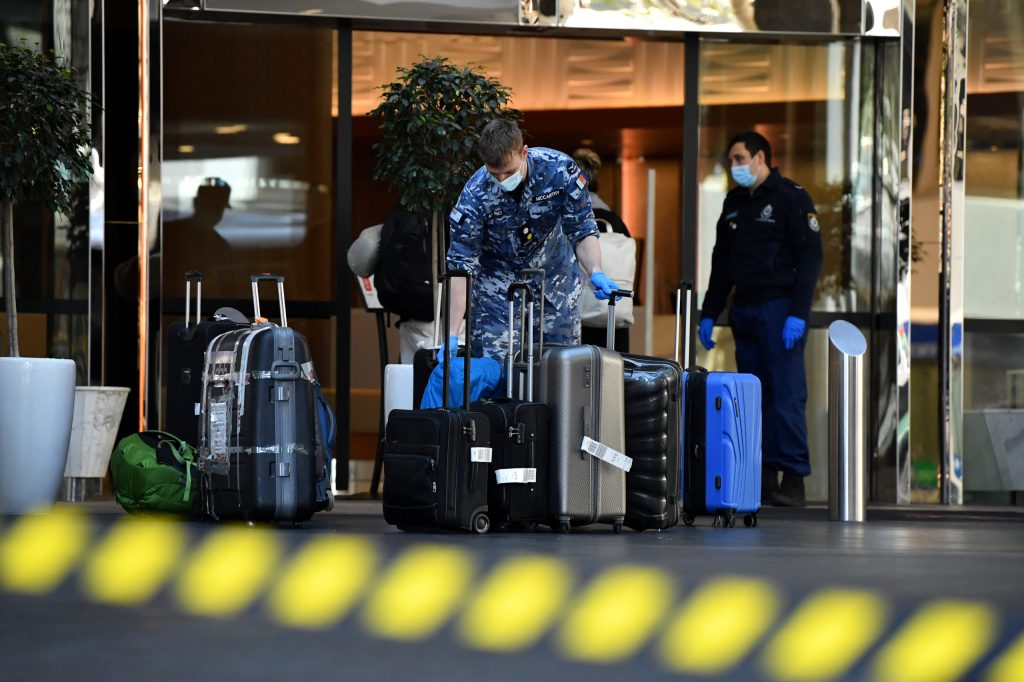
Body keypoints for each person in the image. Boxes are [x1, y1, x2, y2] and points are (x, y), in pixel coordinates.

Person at [698, 131, 823, 507]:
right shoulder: (735, 203)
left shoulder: (791, 198)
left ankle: (794, 478)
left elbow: (811, 259)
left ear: (760, 158)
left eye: (739, 159)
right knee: (752, 398)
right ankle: (764, 476)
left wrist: (798, 313)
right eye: (731, 161)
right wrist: (709, 312)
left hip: (779, 309)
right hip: (746, 311)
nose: (734, 167)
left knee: (786, 395)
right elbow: (722, 264)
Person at [444, 119, 619, 369]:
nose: (502, 179)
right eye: (495, 173)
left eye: (509, 171)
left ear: (524, 152)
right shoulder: (474, 196)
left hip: (553, 277)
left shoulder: (559, 170)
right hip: (497, 285)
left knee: (563, 368)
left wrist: (596, 270)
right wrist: (451, 332)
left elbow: (581, 227)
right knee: (495, 370)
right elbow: (461, 268)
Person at [572, 147, 634, 351]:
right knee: (613, 373)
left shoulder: (571, 218)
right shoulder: (615, 221)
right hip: (613, 316)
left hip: (578, 317)